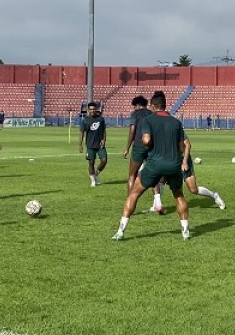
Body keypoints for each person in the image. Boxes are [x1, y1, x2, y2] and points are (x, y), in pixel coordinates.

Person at [113, 91, 192, 241]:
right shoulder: (176, 122)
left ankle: (121, 231)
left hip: (155, 164)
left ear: (153, 106)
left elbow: (147, 140)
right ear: (165, 105)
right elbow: (182, 146)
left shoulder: (148, 120)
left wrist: (145, 140)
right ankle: (185, 232)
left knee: (134, 194)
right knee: (179, 195)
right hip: (174, 165)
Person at [123, 95, 158, 206]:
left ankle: (130, 203)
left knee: (132, 175)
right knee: (153, 175)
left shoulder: (135, 114)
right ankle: (157, 203)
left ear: (137, 105)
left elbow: (132, 130)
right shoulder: (152, 114)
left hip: (138, 146)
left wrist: (127, 148)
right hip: (151, 147)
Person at [79, 101, 108, 187]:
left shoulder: (101, 119)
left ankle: (96, 174)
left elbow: (104, 130)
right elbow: (82, 133)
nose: (92, 110)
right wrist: (80, 145)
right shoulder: (85, 120)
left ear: (96, 109)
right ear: (88, 110)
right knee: (91, 163)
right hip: (90, 145)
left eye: (94, 109)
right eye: (90, 109)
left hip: (100, 145)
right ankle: (93, 181)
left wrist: (104, 140)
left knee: (104, 161)